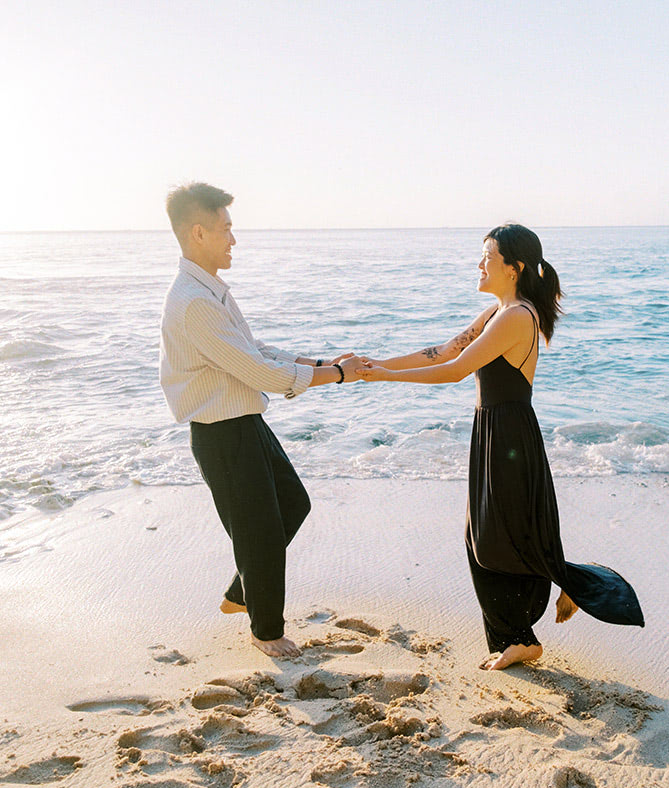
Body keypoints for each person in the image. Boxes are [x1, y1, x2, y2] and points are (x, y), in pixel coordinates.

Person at [357, 224, 644, 670]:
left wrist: (387, 377)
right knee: (489, 536)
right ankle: (531, 620)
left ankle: (538, 617)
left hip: (509, 434)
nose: (479, 263)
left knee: (492, 538)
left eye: (487, 256)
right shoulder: (497, 311)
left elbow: (454, 370)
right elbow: (444, 350)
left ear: (514, 267)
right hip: (492, 430)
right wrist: (376, 364)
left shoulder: (517, 316)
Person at [159, 182, 363, 659]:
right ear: (198, 232)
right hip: (222, 433)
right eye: (226, 230)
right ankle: (266, 630)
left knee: (292, 504)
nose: (234, 240)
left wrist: (318, 362)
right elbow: (258, 372)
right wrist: (335, 375)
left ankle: (242, 591)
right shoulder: (193, 302)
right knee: (261, 531)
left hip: (244, 423)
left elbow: (254, 351)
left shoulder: (209, 291)